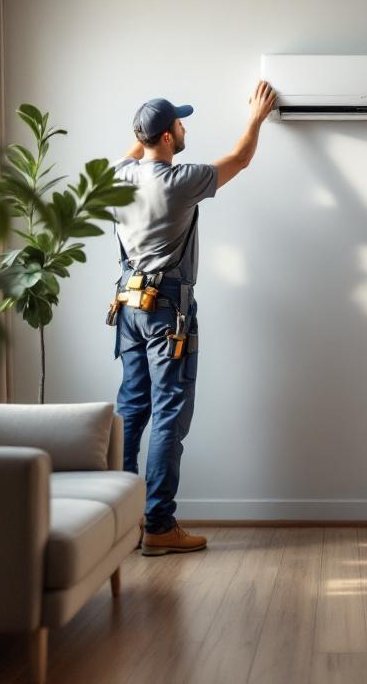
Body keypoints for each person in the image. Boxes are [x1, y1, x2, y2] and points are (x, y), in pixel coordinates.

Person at [111, 81, 277, 556]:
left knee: (131, 410)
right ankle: (160, 525)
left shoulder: (118, 178)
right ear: (166, 137)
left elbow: (135, 153)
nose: (185, 129)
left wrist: (146, 133)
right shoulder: (180, 181)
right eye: (179, 124)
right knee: (168, 416)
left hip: (128, 307)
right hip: (168, 313)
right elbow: (240, 159)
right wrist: (256, 117)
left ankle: (121, 526)